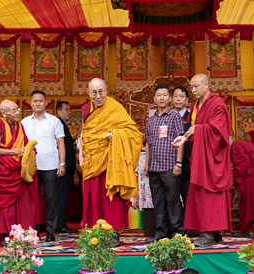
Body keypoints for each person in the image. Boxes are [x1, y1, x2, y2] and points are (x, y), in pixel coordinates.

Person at [172, 74, 233, 246]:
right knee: (200, 193)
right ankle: (211, 232)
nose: (193, 90)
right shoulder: (195, 106)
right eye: (192, 87)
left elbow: (218, 130)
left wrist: (197, 129)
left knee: (210, 194)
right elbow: (193, 130)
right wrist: (184, 138)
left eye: (197, 86)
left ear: (206, 85)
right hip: (200, 156)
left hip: (212, 158)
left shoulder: (217, 103)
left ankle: (210, 233)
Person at [79, 78, 143, 235]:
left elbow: (134, 133)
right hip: (92, 159)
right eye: (94, 92)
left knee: (111, 198)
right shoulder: (86, 109)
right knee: (93, 197)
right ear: (88, 93)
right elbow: (84, 133)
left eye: (101, 91)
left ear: (106, 91)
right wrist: (81, 157)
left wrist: (116, 135)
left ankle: (113, 232)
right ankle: (94, 232)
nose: (98, 96)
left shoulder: (115, 107)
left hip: (111, 160)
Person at [0, 99, 39, 245]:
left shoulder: (19, 125)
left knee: (22, 202)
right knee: (5, 204)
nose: (17, 113)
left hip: (18, 168)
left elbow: (25, 144)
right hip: (4, 169)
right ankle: (5, 235)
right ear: (4, 113)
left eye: (18, 109)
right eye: (13, 110)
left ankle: (22, 232)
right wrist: (16, 151)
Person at [21, 90, 66, 242]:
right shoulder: (24, 122)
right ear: (30, 103)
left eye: (41, 101)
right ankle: (32, 231)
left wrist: (62, 164)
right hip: (31, 167)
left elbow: (61, 143)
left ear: (46, 103)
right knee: (31, 200)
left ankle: (50, 231)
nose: (38, 103)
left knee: (51, 199)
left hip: (51, 165)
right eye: (35, 101)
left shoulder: (54, 121)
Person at [144, 84, 185, 241]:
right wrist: (147, 164)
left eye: (164, 95)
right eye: (158, 95)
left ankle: (177, 233)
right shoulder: (151, 120)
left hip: (169, 166)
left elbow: (181, 140)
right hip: (154, 167)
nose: (161, 98)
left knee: (173, 201)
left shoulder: (174, 116)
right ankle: (161, 233)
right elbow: (148, 143)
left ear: (169, 98)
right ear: (154, 98)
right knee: (158, 202)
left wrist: (178, 163)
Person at [55, 101, 78, 233]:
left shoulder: (63, 124)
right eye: (66, 110)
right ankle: (60, 225)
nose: (69, 112)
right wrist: (62, 164)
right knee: (61, 197)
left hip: (65, 167)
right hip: (61, 167)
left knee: (62, 196)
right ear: (59, 111)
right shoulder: (58, 124)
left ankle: (60, 224)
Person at [172, 85, 193, 214]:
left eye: (182, 96)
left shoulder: (192, 118)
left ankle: (186, 229)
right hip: (169, 163)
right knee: (172, 198)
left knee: (187, 196)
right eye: (176, 96)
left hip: (186, 163)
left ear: (186, 100)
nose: (178, 99)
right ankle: (174, 227)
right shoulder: (167, 116)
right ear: (171, 99)